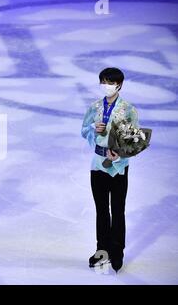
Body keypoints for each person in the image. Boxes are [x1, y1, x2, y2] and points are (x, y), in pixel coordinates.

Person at [81, 67, 139, 272]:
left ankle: (117, 251)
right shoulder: (95, 107)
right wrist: (92, 128)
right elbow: (83, 129)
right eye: (103, 82)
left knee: (118, 210)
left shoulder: (129, 109)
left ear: (119, 85)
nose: (106, 86)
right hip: (98, 164)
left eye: (110, 82)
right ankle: (102, 250)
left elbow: (134, 139)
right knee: (101, 211)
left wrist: (120, 153)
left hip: (119, 166)